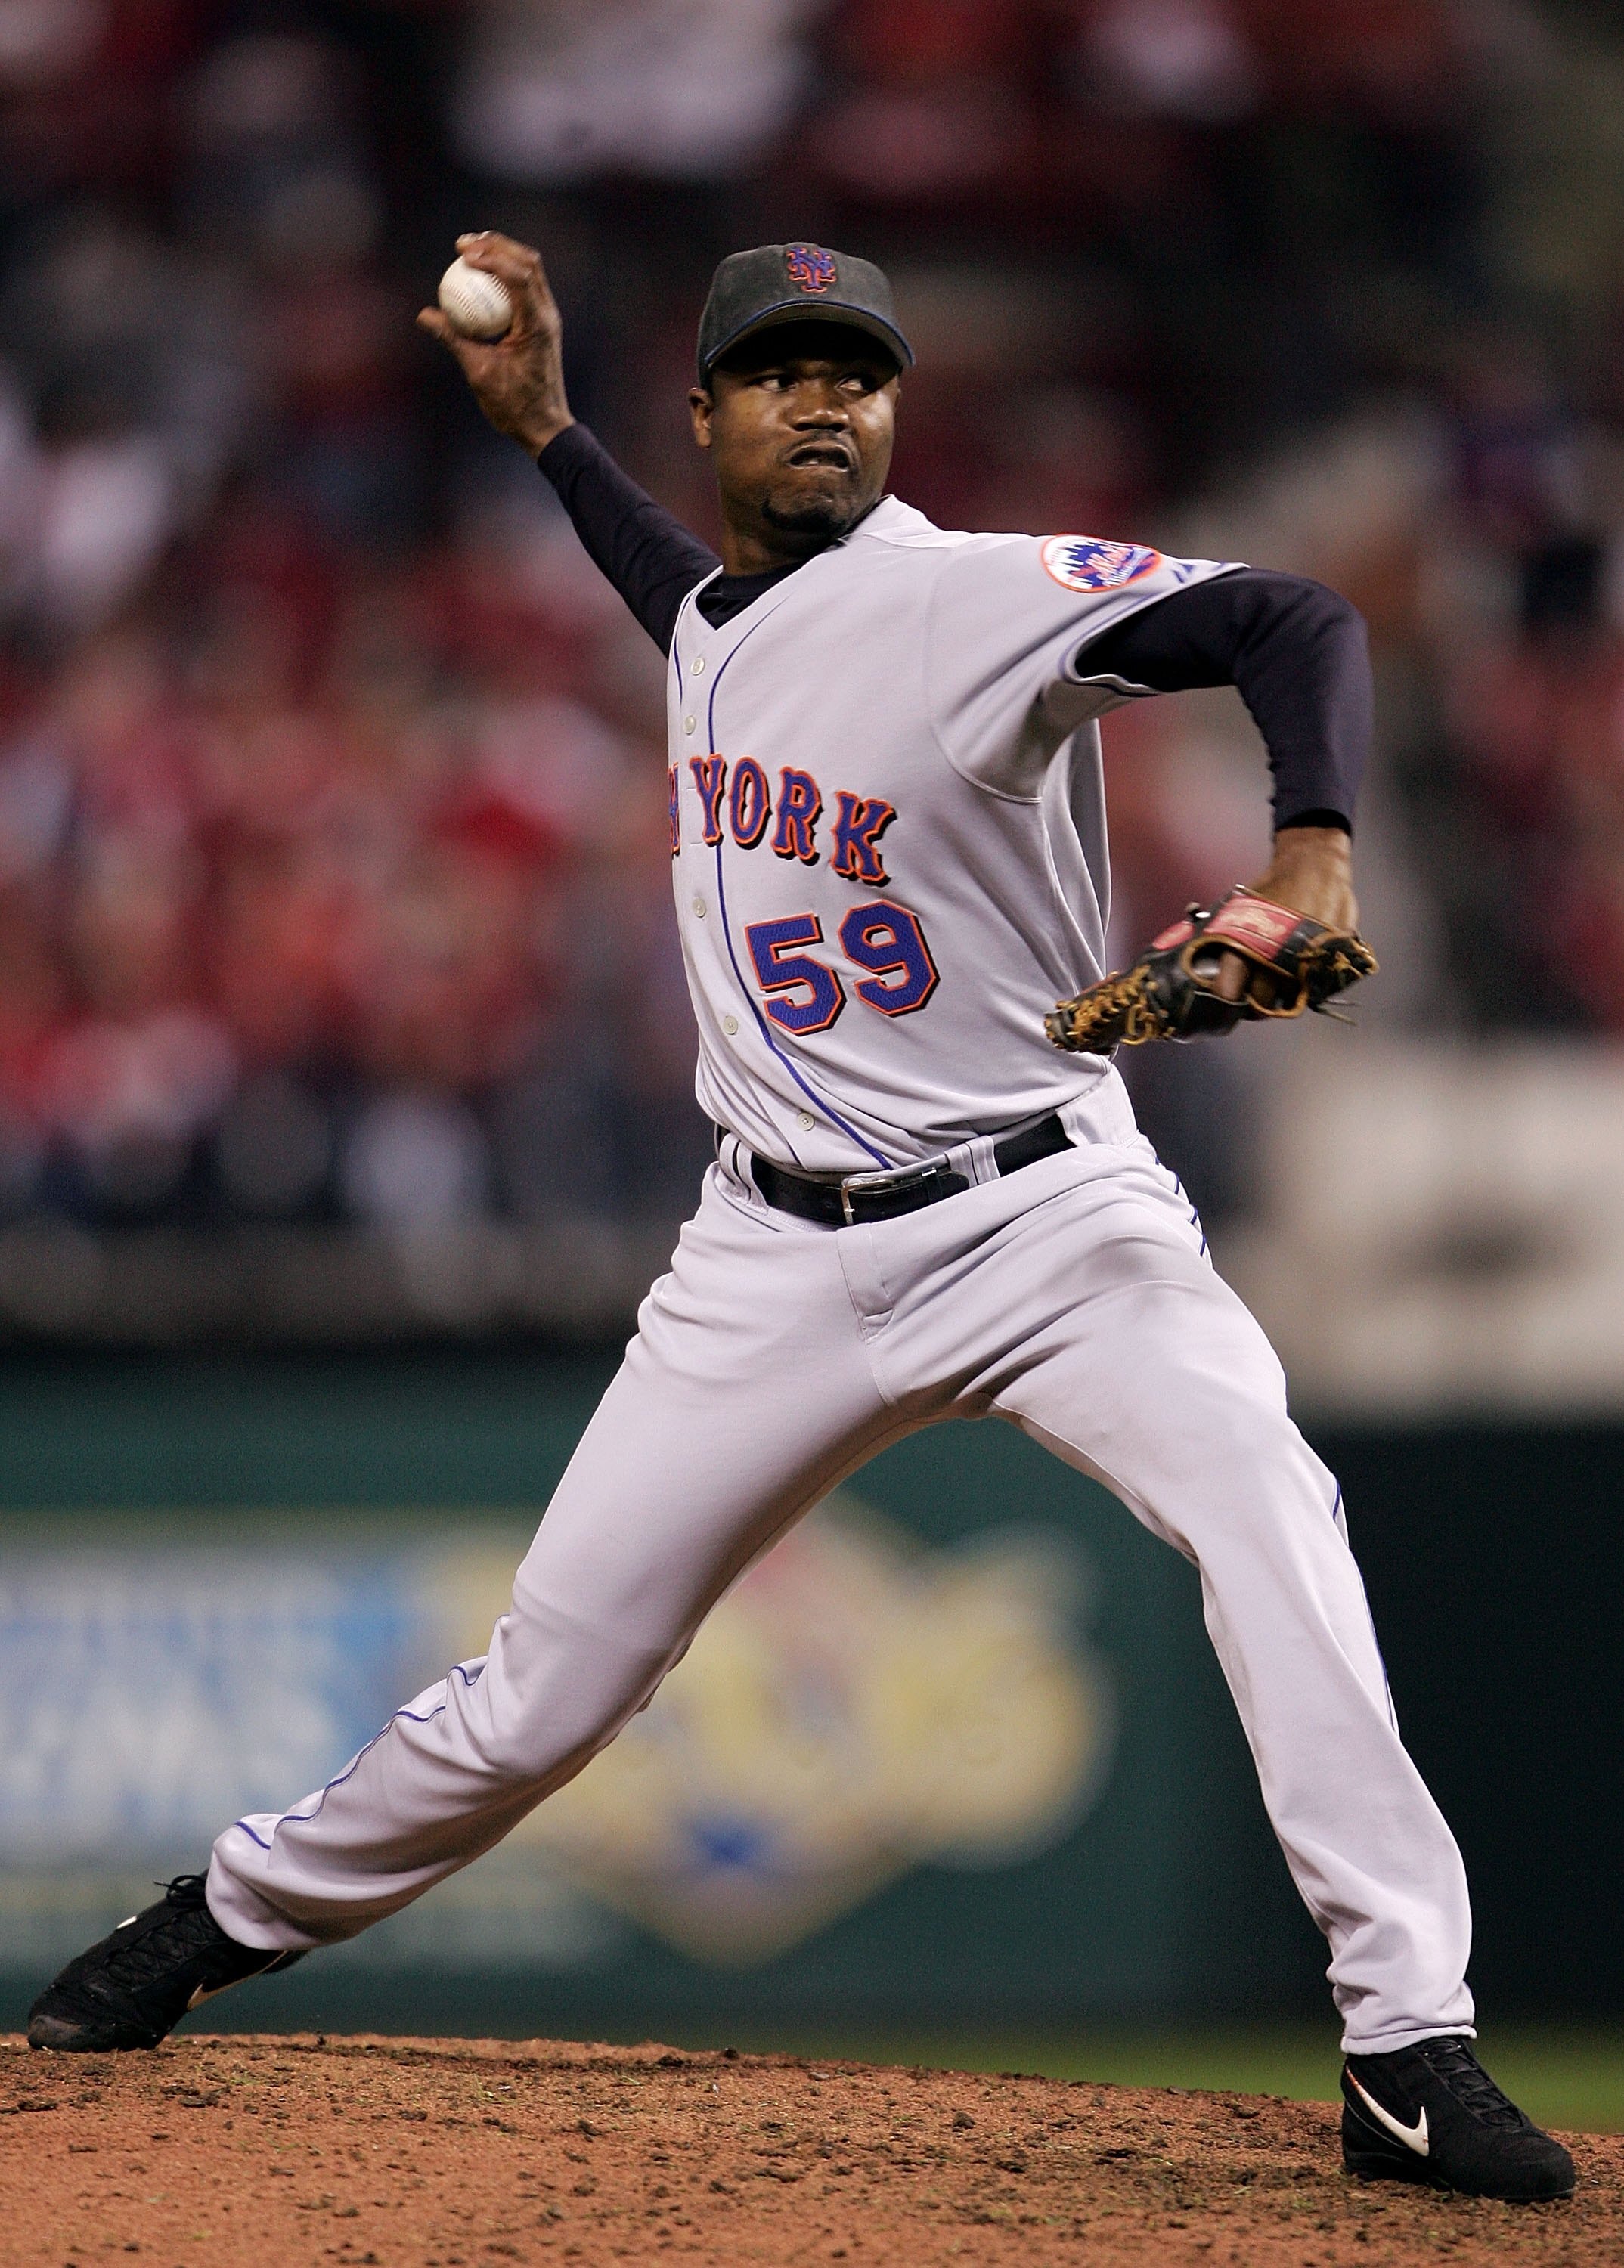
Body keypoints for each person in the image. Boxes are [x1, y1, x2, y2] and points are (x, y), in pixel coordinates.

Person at [29, 235, 1573, 2204]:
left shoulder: (969, 595)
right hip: (769, 1255)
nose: (822, 398)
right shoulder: (723, 626)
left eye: (854, 370)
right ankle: (218, 1919)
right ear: (714, 416)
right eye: (777, 372)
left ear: (894, 407)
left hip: (1046, 1221)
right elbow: (683, 605)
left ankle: (1405, 2040)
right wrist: (548, 439)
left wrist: (1312, 851)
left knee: (1272, 1512)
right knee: (542, 1699)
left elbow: (1290, 618)